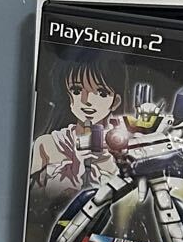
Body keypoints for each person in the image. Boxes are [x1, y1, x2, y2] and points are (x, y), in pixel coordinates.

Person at [29, 49, 126, 194]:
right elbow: (32, 198)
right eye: (76, 90)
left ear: (115, 101)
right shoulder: (46, 144)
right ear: (68, 94)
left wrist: (108, 167)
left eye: (101, 93)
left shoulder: (119, 153)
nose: (87, 101)